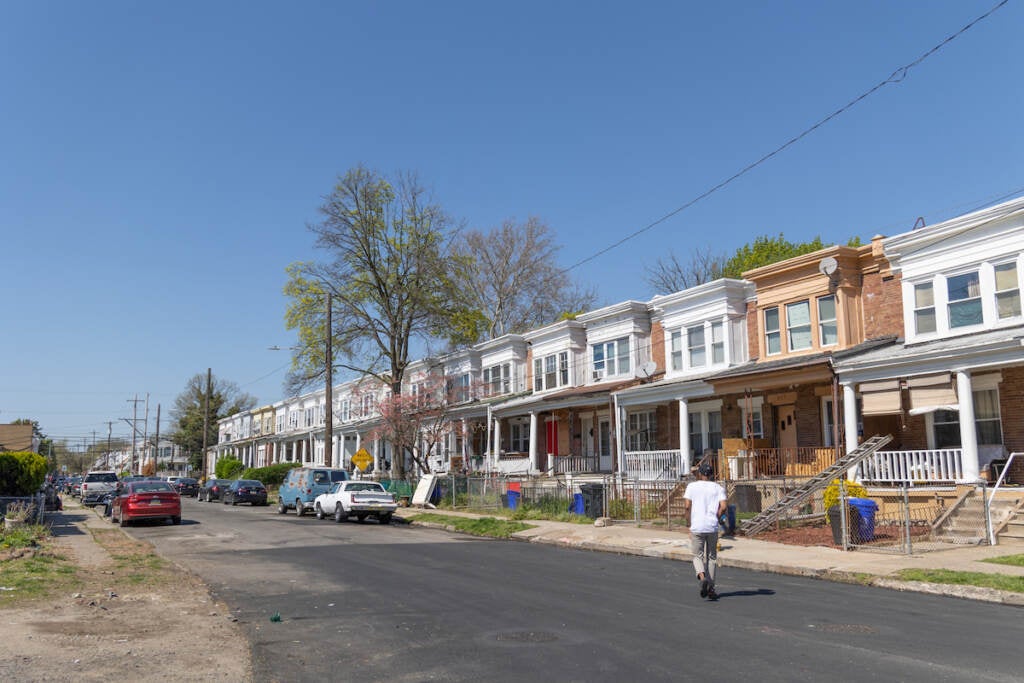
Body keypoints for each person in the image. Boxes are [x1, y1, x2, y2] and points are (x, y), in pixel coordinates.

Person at [683, 461, 728, 600]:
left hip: (697, 526)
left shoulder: (692, 486)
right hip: (712, 526)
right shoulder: (718, 488)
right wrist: (718, 515)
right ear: (711, 474)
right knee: (712, 558)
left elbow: (686, 506)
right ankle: (711, 588)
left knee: (697, 556)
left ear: (700, 474)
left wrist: (688, 523)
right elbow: (724, 506)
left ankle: (702, 578)